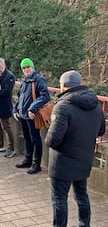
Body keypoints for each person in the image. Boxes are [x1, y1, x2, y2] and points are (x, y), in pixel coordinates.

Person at [45, 70, 105, 227]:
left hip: (62, 163)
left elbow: (53, 140)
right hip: (84, 159)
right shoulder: (96, 105)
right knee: (82, 195)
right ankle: (85, 224)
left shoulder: (62, 107)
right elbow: (100, 131)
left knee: (59, 199)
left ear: (63, 86)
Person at [13, 58, 50, 174]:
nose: (26, 69)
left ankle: (36, 163)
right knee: (27, 138)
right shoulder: (24, 81)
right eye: (23, 68)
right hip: (23, 115)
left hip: (32, 115)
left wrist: (32, 108)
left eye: (27, 67)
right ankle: (28, 159)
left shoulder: (39, 79)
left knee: (35, 138)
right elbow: (20, 97)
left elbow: (45, 96)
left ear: (32, 67)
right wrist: (15, 109)